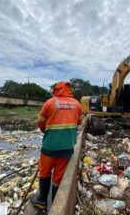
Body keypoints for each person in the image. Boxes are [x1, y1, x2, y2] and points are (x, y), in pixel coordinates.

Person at [30, 81, 83, 209]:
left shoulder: (50, 102)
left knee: (44, 172)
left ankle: (42, 200)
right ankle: (55, 202)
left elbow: (41, 122)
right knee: (58, 176)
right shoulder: (77, 104)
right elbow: (79, 122)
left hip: (50, 147)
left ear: (57, 90)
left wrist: (48, 133)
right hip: (67, 147)